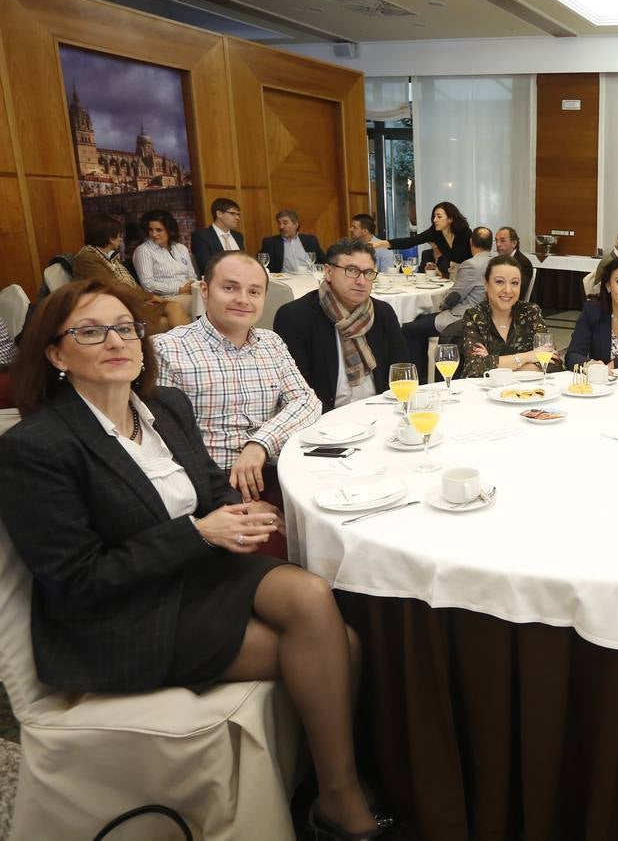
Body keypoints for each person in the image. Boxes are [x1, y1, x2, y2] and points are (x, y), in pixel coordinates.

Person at [0, 279, 385, 838]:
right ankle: (340, 794)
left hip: (193, 575)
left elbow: (207, 484)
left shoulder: (162, 406)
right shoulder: (37, 447)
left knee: (312, 596)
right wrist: (199, 534)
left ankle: (333, 785)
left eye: (126, 328)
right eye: (90, 331)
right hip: (117, 617)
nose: (116, 341)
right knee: (336, 646)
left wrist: (235, 513)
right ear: (57, 354)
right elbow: (76, 580)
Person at [154, 251, 320, 504]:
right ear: (205, 290)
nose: (243, 300)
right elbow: (166, 440)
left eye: (254, 292)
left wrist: (260, 444)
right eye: (230, 288)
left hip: (279, 467)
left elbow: (307, 401)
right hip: (212, 484)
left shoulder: (271, 342)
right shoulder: (168, 349)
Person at [273, 238, 410, 412]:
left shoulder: (382, 312)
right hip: (324, 420)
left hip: (381, 412)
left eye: (368, 273)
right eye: (351, 270)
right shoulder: (295, 317)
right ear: (328, 272)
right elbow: (296, 393)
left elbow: (402, 373)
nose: (361, 281)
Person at [71, 215, 191, 334]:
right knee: (167, 322)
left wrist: (143, 299)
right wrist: (148, 297)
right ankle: (191, 348)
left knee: (174, 306)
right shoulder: (87, 258)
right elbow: (113, 286)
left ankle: (195, 349)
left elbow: (129, 283)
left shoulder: (109, 256)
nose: (121, 239)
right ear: (110, 238)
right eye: (118, 235)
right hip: (115, 308)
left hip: (131, 302)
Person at [400, 230, 492, 381]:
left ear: (471, 243)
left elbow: (454, 297)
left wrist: (442, 305)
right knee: (420, 319)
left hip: (461, 318)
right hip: (485, 315)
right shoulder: (497, 260)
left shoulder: (470, 264)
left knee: (409, 329)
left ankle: (418, 380)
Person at [460, 256, 558, 378]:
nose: (507, 290)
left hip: (527, 393)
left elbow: (554, 364)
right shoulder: (475, 316)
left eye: (514, 283)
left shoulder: (530, 312)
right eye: (499, 282)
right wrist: (528, 356)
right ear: (486, 284)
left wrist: (493, 363)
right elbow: (475, 368)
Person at [371, 200, 471, 274]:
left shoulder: (464, 232)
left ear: (450, 219)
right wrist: (382, 243)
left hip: (470, 273)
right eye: (434, 216)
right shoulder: (435, 232)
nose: (435, 220)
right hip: (453, 275)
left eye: (439, 217)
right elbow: (411, 241)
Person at [132, 209, 196, 297]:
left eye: (159, 230)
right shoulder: (143, 250)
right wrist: (179, 289)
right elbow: (148, 285)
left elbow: (192, 276)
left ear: (170, 230)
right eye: (151, 230)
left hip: (190, 293)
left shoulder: (181, 248)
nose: (154, 234)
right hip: (166, 299)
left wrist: (194, 287)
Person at [190, 197, 244, 274]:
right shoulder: (202, 236)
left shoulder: (238, 236)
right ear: (219, 214)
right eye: (233, 214)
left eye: (238, 214)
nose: (237, 218)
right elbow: (207, 266)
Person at [260, 209, 324, 274]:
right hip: (284, 281)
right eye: (279, 223)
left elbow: (323, 261)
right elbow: (260, 263)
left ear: (296, 225)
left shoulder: (310, 240)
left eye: (285, 223)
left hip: (309, 278)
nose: (281, 227)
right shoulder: (270, 243)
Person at [494, 225, 534, 298]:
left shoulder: (523, 263)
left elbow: (519, 292)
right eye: (496, 240)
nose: (498, 244)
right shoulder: (496, 261)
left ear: (514, 243)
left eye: (503, 240)